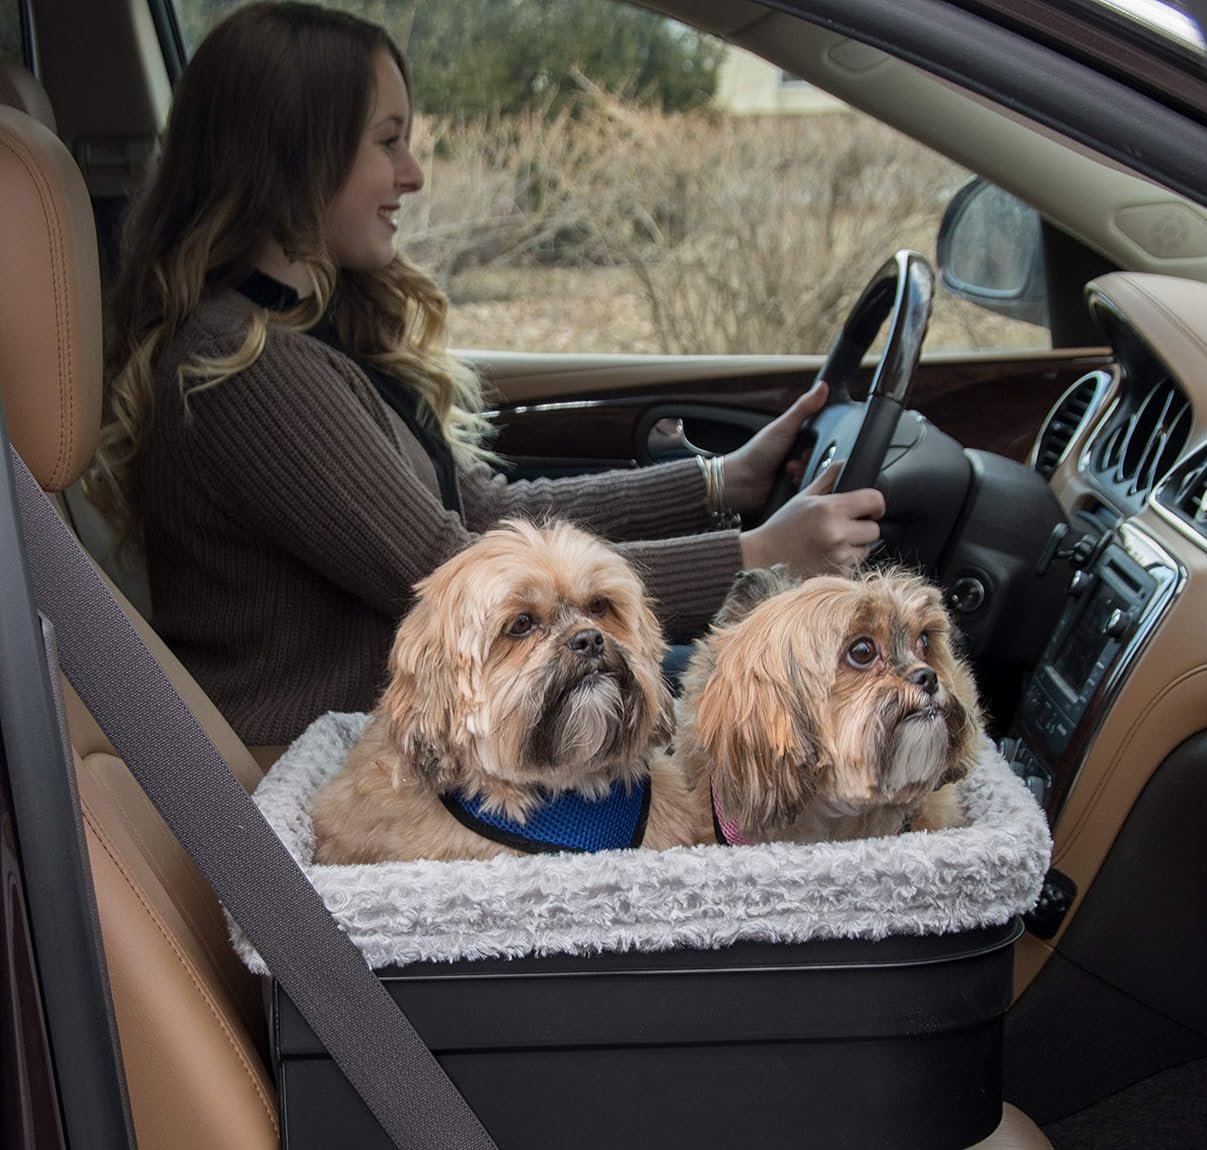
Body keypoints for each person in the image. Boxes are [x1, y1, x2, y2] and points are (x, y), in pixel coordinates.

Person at [88, 1, 885, 749]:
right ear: (295, 157)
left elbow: (487, 512)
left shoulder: (304, 334)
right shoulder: (245, 369)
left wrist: (720, 482)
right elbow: (460, 575)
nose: (412, 174)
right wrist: (758, 556)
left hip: (410, 735)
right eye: (387, 141)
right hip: (323, 761)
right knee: (796, 703)